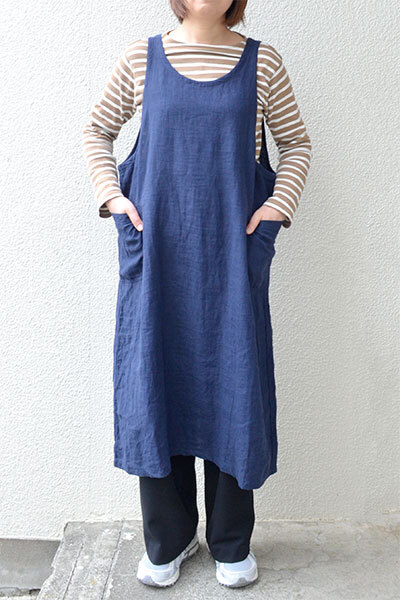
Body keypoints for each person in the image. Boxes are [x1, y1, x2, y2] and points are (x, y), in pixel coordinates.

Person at [82, 0, 312, 589]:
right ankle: (169, 537)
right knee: (157, 384)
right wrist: (114, 198)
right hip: (159, 258)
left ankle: (232, 540)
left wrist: (274, 210)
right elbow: (97, 130)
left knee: (235, 386)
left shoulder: (263, 63)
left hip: (231, 262)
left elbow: (297, 145)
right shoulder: (142, 58)